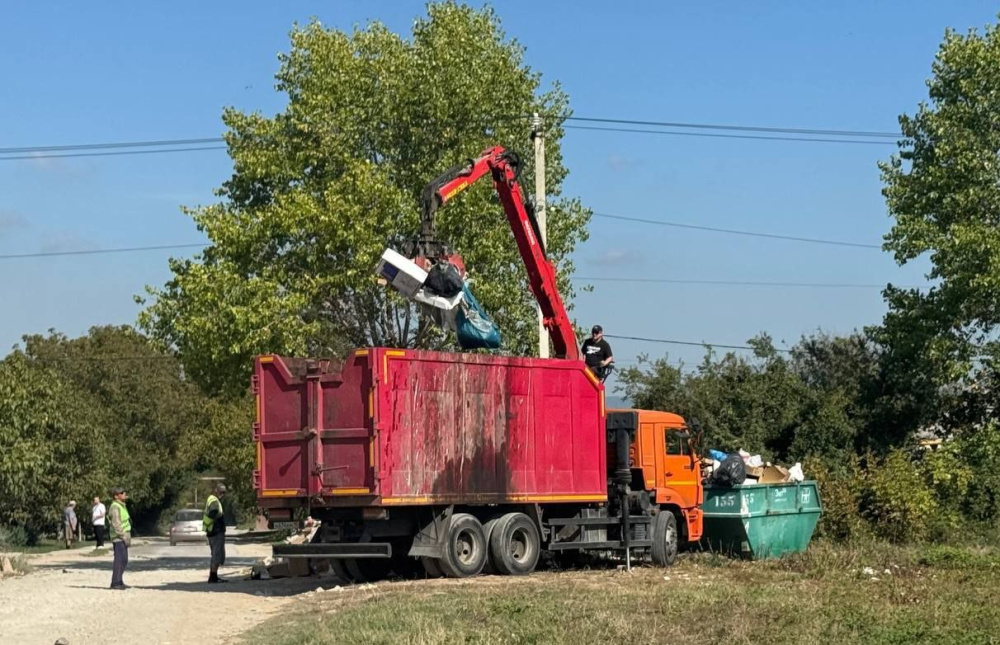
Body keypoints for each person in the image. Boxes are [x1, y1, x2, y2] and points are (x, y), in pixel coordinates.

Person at [108, 487, 131, 590]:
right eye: (121, 493)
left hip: (124, 535)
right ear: (116, 496)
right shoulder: (115, 507)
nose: (124, 494)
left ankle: (119, 580)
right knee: (119, 560)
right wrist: (122, 536)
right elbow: (116, 523)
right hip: (118, 537)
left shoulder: (122, 505)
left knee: (124, 560)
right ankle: (115, 582)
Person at [203, 483, 227, 584]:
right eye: (221, 492)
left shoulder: (213, 499)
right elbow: (213, 513)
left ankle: (214, 576)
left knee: (217, 554)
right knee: (217, 554)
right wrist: (219, 518)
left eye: (224, 493)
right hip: (216, 531)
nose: (222, 494)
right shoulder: (214, 501)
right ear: (216, 490)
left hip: (212, 531)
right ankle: (213, 577)